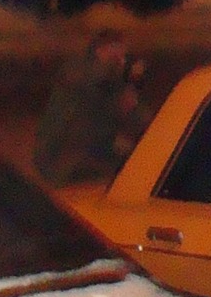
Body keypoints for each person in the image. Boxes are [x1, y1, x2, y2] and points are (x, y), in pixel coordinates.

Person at [33, 30, 149, 186]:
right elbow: (92, 85)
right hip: (67, 157)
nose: (122, 56)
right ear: (101, 49)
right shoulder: (78, 70)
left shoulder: (112, 81)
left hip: (94, 150)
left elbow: (132, 114)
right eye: (117, 50)